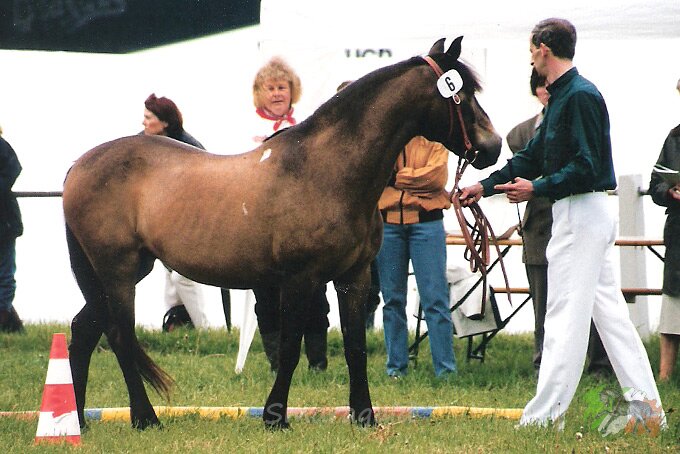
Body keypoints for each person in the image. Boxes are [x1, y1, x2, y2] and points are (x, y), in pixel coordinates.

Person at [460, 18, 662, 427]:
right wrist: (486, 186)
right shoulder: (561, 97)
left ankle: (545, 417)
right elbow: (531, 156)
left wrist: (536, 188)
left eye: (531, 50)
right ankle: (647, 413)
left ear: (544, 49)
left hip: (581, 212)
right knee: (611, 321)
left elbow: (587, 166)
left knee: (563, 317)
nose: (530, 58)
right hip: (578, 212)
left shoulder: (580, 96)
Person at [507, 69, 612, 377]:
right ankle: (546, 363)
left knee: (592, 297)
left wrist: (537, 184)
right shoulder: (520, 133)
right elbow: (527, 163)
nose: (547, 92)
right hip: (540, 224)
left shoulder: (578, 106)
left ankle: (599, 364)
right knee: (544, 300)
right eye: (542, 87)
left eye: (550, 86)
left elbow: (583, 165)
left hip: (575, 215)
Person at [249, 57, 330, 371]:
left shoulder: (307, 126)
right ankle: (277, 363)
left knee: (314, 293)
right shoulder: (247, 127)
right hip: (261, 223)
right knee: (267, 295)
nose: (277, 93)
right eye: (270, 88)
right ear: (260, 93)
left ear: (291, 90)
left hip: (302, 223)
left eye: (282, 87)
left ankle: (317, 362)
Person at [376, 135, 456, 378]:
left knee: (435, 299)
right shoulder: (386, 138)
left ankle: (445, 371)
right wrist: (414, 179)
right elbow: (376, 175)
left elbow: (436, 178)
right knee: (392, 300)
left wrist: (396, 178)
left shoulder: (435, 140)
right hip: (388, 225)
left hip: (427, 224)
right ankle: (395, 369)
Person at [141, 93, 211, 331]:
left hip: (188, 221)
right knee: (171, 275)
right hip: (160, 221)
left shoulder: (191, 148)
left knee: (183, 276)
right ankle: (176, 321)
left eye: (148, 117)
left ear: (164, 122)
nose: (143, 122)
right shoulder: (142, 144)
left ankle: (204, 329)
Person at [648, 78, 680, 382]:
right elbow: (654, 183)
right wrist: (669, 192)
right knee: (672, 307)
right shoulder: (674, 137)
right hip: (678, 235)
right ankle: (664, 378)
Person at [0, 125, 24, 333]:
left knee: (5, 274)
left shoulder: (1, 146)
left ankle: (4, 318)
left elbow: (13, 168)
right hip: (6, 222)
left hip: (4, 223)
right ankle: (9, 322)